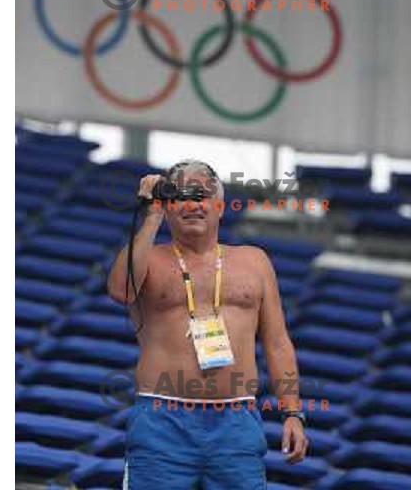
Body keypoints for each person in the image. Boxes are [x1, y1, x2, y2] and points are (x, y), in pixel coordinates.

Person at [108, 160, 308, 489]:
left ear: (220, 205)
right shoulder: (151, 258)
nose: (192, 204)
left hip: (236, 422)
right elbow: (121, 290)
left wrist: (292, 413)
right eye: (180, 196)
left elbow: (277, 342)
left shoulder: (254, 260)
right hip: (162, 418)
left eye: (201, 194)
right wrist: (152, 215)